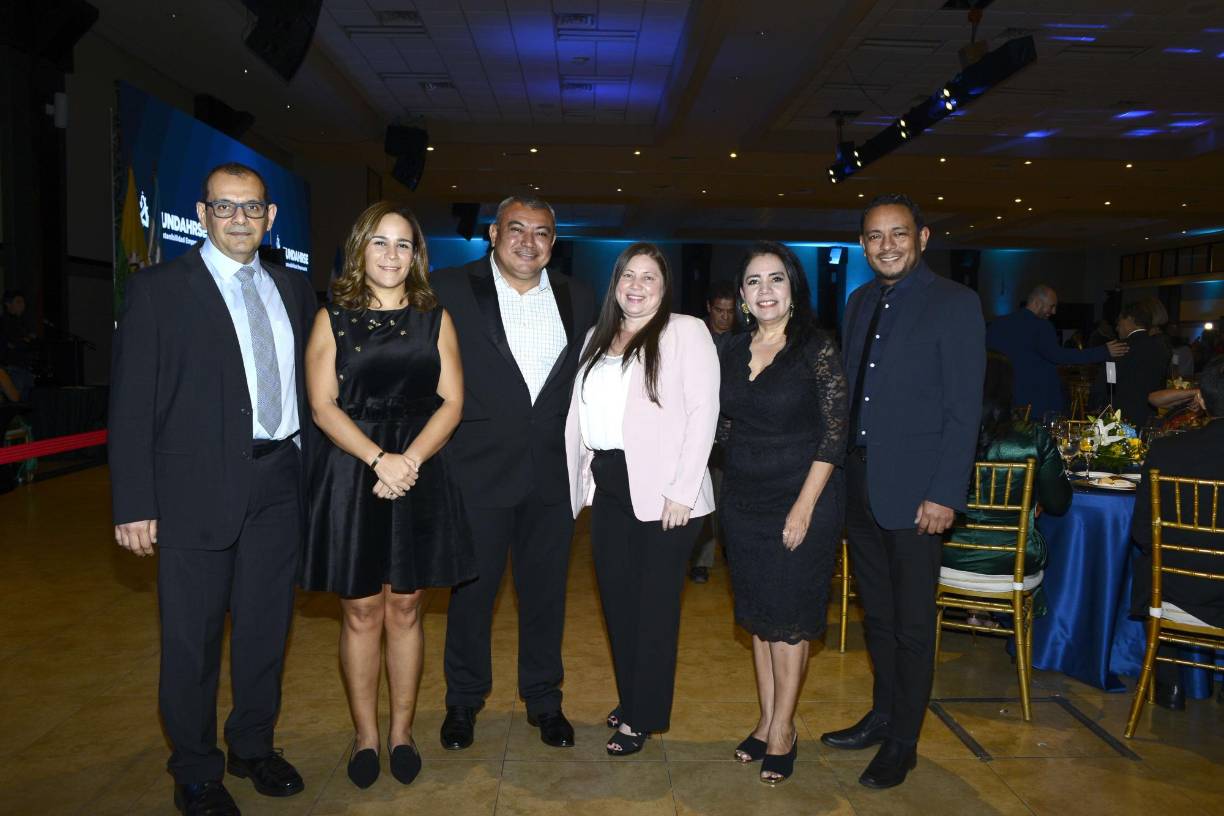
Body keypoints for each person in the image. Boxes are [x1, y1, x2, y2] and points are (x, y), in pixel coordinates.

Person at [109, 162, 315, 816]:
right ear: (201, 214)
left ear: (270, 217)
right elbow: (132, 404)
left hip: (280, 482)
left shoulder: (293, 289)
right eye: (224, 207)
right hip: (192, 491)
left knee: (263, 630)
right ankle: (196, 769)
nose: (238, 219)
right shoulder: (161, 290)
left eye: (251, 208)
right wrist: (135, 503)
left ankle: (253, 746)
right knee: (192, 641)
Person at [301, 202, 475, 788]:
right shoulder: (332, 317)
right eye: (380, 243)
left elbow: (452, 400)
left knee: (405, 606)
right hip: (353, 471)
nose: (392, 255)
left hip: (419, 467)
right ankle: (365, 737)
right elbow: (322, 405)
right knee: (361, 609)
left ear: (417, 255)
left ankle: (401, 732)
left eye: (403, 245)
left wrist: (410, 461)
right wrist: (379, 459)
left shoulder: (436, 318)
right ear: (359, 249)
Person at [820, 193, 984, 789]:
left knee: (913, 624)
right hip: (861, 483)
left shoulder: (955, 304)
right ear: (863, 246)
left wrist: (945, 493)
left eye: (897, 234)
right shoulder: (860, 301)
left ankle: (904, 743)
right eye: (874, 236)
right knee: (878, 617)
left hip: (919, 495)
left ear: (922, 237)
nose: (886, 245)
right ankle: (882, 715)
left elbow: (964, 410)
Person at [432, 195, 595, 751]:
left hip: (550, 477)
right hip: (474, 475)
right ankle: (463, 702)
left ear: (554, 242)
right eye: (517, 229)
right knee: (471, 598)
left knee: (546, 595)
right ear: (494, 233)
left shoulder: (579, 297)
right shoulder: (449, 288)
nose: (529, 241)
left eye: (542, 232)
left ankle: (545, 701)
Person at [563, 241, 719, 756]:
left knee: (653, 609)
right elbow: (587, 418)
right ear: (616, 284)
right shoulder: (595, 337)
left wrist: (683, 488)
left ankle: (642, 716)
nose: (636, 285)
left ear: (664, 286)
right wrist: (584, 480)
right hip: (610, 486)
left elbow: (704, 413)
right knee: (618, 600)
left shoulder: (685, 332)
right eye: (628, 275)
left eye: (649, 276)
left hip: (667, 491)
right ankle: (634, 694)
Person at [717, 242, 847, 784]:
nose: (764, 290)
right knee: (761, 620)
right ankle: (767, 718)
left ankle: (785, 730)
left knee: (790, 623)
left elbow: (835, 434)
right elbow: (719, 426)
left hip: (803, 498)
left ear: (794, 289)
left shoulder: (816, 348)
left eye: (776, 279)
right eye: (753, 281)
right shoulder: (730, 349)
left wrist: (803, 507)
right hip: (743, 501)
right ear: (742, 295)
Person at [941, 352, 1071, 622]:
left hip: (946, 553)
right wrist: (1034, 498)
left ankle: (974, 607)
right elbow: (1059, 504)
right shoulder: (1031, 438)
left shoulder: (943, 432)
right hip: (1013, 557)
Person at [1129, 356, 1224, 710]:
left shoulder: (1167, 450)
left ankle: (1169, 685)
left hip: (1174, 587)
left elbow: (1142, 532)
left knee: (1158, 562)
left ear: (1200, 399)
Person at [986, 284, 1127, 420]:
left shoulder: (998, 324)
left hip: (1003, 400)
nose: (1053, 312)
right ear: (1037, 302)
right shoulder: (1041, 326)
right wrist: (1103, 351)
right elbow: (1058, 356)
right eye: (1052, 306)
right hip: (1037, 402)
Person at [690, 278, 738, 583]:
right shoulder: (693, 336)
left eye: (729, 311)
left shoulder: (741, 342)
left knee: (725, 495)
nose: (724, 316)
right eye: (719, 310)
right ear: (709, 308)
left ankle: (730, 551)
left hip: (728, 430)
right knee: (699, 495)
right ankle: (701, 561)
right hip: (697, 428)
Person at [1090, 300, 1171, 427]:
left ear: (1129, 319)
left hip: (1120, 417)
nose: (1117, 328)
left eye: (1119, 322)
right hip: (1148, 415)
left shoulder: (1119, 348)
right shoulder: (1160, 347)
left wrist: (1097, 406)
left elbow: (1106, 384)